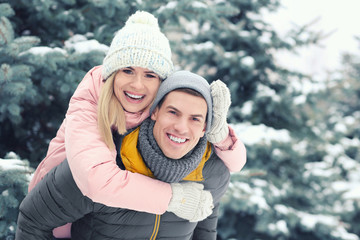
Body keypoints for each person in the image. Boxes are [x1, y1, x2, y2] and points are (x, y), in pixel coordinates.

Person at [27, 11, 246, 239]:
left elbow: (234, 164)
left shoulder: (153, 113)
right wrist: (174, 198)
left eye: (150, 75)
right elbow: (95, 180)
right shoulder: (89, 104)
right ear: (112, 74)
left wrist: (218, 133)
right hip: (59, 217)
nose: (137, 84)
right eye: (128, 70)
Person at [16, 71, 231, 240]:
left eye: (195, 119)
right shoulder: (102, 163)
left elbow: (204, 231)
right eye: (173, 112)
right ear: (154, 112)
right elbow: (33, 219)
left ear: (205, 127)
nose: (181, 127)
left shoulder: (213, 171)